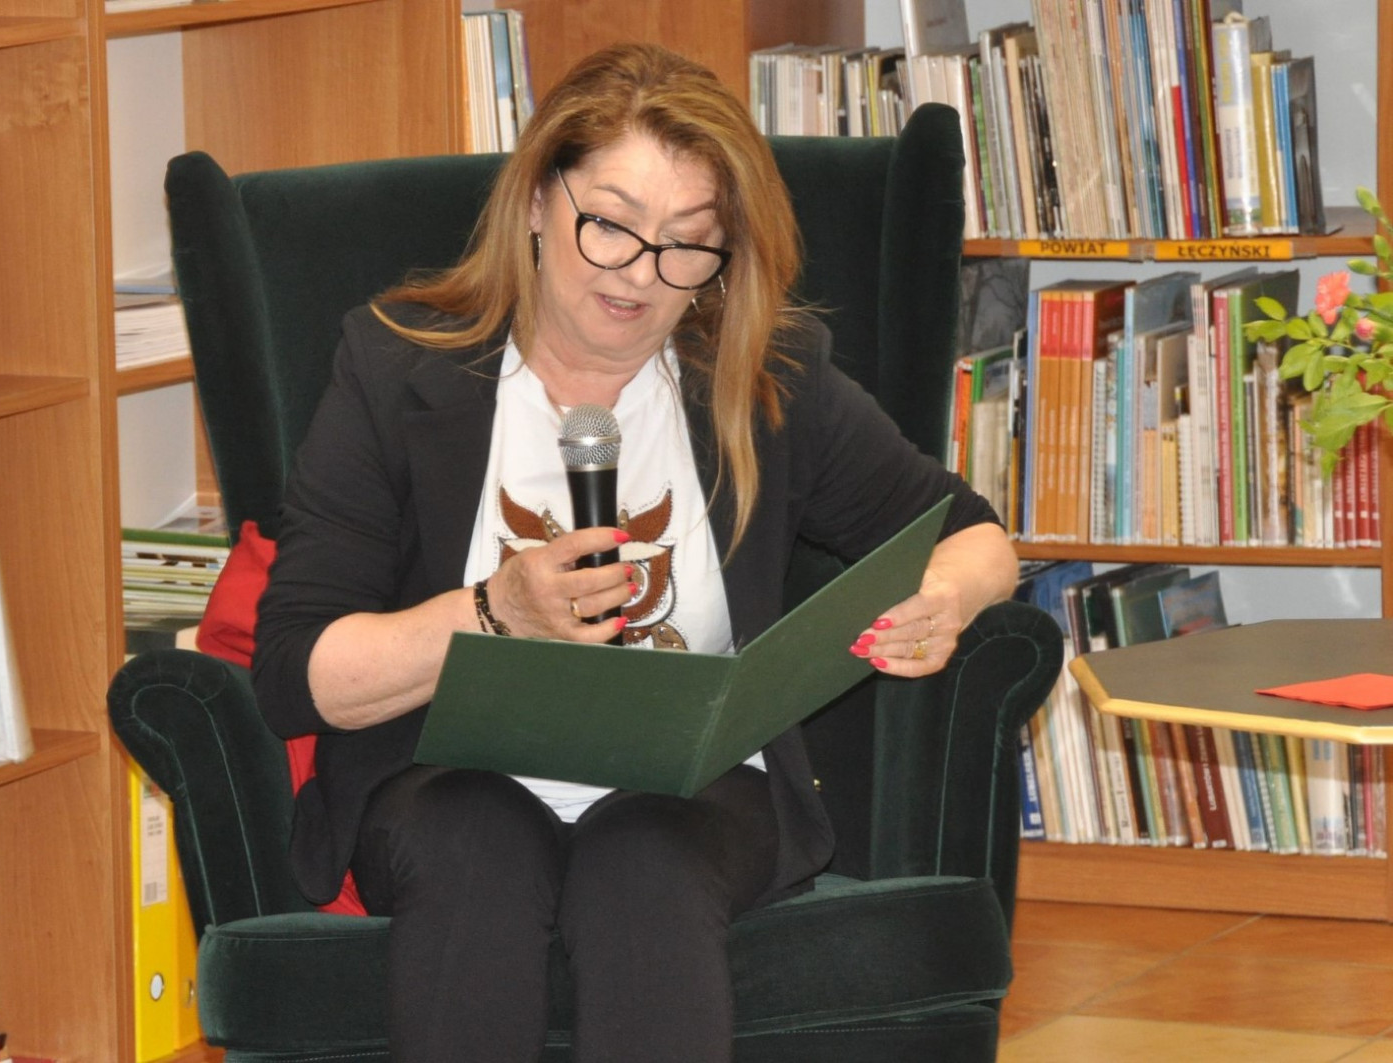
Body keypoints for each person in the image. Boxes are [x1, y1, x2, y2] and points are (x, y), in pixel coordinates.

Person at [251, 41, 1018, 1063]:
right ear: (537, 199)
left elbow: (971, 531)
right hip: (444, 777)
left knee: (645, 856)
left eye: (687, 244)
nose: (640, 274)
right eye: (610, 224)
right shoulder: (394, 368)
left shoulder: (763, 376)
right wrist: (493, 612)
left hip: (694, 792)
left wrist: (946, 600)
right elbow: (297, 673)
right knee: (475, 840)